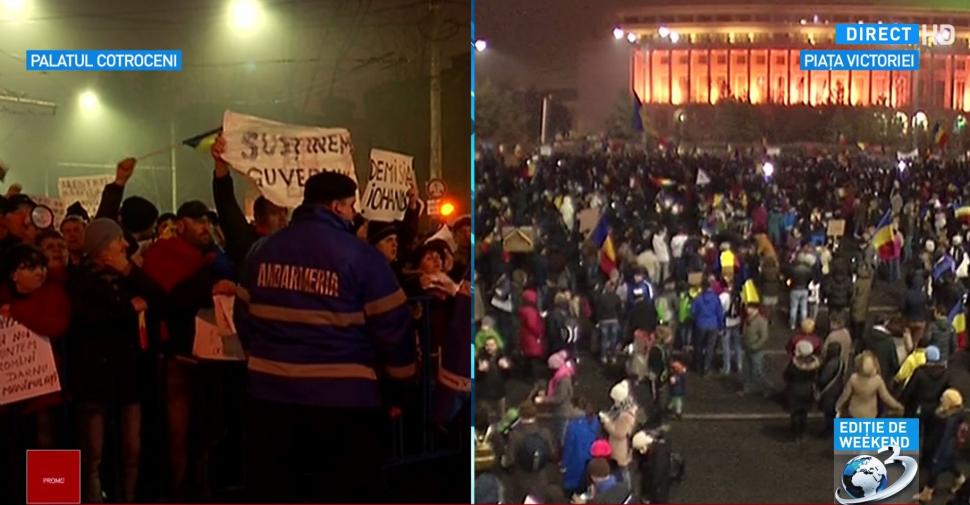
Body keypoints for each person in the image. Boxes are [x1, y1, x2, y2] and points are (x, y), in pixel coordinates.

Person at [234, 172, 416, 503]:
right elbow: (394, 329)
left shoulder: (262, 252)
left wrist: (261, 360)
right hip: (343, 403)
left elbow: (244, 317)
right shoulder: (362, 257)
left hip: (269, 398)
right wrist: (400, 388)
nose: (353, 213)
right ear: (337, 207)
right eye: (350, 206)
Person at [67, 219, 166, 503]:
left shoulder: (127, 277)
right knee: (92, 454)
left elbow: (159, 297)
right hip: (93, 381)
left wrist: (127, 270)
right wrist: (127, 308)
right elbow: (89, 318)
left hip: (128, 378)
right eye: (117, 239)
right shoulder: (81, 280)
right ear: (101, 247)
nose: (125, 244)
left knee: (131, 449)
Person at [916, 389, 966, 503]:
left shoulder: (949, 420)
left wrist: (936, 456)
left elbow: (944, 439)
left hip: (944, 449)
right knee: (949, 464)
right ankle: (960, 478)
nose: (941, 399)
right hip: (951, 448)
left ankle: (926, 493)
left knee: (935, 469)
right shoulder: (956, 414)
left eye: (944, 398)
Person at [507, 401, 557, 503]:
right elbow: (552, 454)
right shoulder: (544, 432)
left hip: (521, 479)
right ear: (535, 415)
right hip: (540, 478)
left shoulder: (514, 435)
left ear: (520, 415)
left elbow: (510, 460)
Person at [836, 351, 904, 419]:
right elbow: (886, 397)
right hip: (870, 414)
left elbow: (845, 395)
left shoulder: (853, 378)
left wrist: (838, 405)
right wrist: (897, 406)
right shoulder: (877, 381)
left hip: (854, 412)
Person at [600, 380, 638, 489]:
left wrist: (606, 422)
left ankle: (626, 490)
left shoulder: (625, 415)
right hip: (622, 446)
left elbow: (619, 433)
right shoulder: (626, 408)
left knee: (622, 470)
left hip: (620, 447)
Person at [561, 397, 601, 496]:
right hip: (589, 463)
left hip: (575, 464)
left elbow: (568, 448)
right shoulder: (594, 421)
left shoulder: (573, 426)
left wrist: (564, 465)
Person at [784, 341, 820, 444]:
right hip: (808, 390)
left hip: (795, 390)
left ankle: (796, 433)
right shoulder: (815, 364)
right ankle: (802, 433)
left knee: (795, 412)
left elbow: (786, 375)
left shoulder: (794, 364)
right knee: (804, 412)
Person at [691, 279, 724, 375]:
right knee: (710, 347)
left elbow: (693, 312)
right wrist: (721, 326)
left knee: (698, 346)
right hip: (713, 325)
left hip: (700, 324)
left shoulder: (698, 299)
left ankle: (698, 366)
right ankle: (706, 367)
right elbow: (719, 313)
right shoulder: (715, 299)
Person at [631, 431, 671, 505]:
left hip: (657, 492)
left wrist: (648, 496)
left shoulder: (659, 455)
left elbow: (657, 476)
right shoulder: (657, 449)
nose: (640, 451)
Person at [740, 302, 771, 397]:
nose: (747, 310)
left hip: (756, 350)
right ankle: (747, 389)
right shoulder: (747, 319)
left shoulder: (761, 321)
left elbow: (764, 337)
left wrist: (756, 346)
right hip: (747, 347)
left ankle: (768, 388)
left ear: (756, 309)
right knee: (747, 370)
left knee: (757, 371)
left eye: (749, 308)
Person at [816, 343, 846, 435]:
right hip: (838, 387)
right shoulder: (841, 361)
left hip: (830, 390)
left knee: (829, 411)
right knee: (834, 410)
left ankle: (829, 430)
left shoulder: (831, 364)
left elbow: (823, 379)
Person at [477, 336, 511, 417]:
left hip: (500, 393)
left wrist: (506, 368)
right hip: (485, 395)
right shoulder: (480, 358)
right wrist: (480, 371)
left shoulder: (502, 356)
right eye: (487, 345)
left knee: (502, 417)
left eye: (492, 345)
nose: (489, 347)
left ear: (496, 345)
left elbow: (508, 376)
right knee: (487, 417)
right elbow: (475, 378)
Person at [519, 288, 546, 382]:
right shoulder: (531, 312)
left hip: (526, 338)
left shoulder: (523, 310)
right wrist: (539, 334)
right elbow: (533, 325)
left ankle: (526, 375)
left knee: (528, 359)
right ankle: (535, 378)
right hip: (533, 338)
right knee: (534, 359)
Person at [902, 272, 931, 353]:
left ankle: (909, 354)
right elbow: (930, 303)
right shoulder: (924, 295)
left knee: (908, 341)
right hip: (921, 321)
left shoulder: (907, 294)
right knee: (917, 341)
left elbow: (902, 307)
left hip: (909, 320)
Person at [787, 252, 815, 330]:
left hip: (795, 289)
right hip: (804, 289)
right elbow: (810, 279)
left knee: (793, 308)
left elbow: (790, 279)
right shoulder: (808, 270)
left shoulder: (793, 269)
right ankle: (803, 324)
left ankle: (792, 325)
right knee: (804, 309)